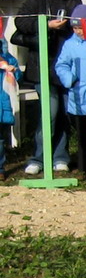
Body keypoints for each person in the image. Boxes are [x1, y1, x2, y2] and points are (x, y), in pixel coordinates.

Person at [15, 0, 82, 175]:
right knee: (49, 113)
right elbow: (21, 22)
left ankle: (60, 157)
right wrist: (46, 25)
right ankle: (39, 157)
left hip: (67, 64)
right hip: (43, 64)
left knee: (63, 114)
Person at [55, 4, 86, 177]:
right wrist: (69, 79)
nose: (78, 31)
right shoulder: (69, 45)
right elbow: (61, 65)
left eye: (81, 27)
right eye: (74, 27)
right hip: (79, 95)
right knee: (83, 137)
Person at [0, 17, 22, 180]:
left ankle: (0, 169)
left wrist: (13, 71)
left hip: (3, 106)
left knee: (0, 140)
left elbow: (18, 76)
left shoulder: (8, 59)